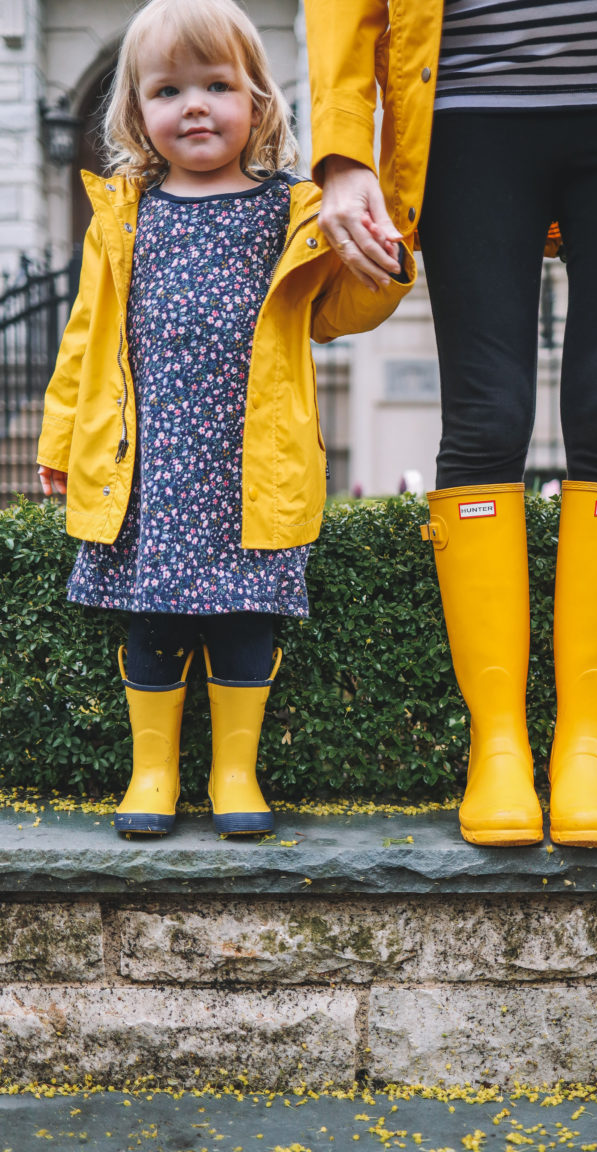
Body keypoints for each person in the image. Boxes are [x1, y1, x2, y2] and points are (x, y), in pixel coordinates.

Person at [304, 0, 597, 847]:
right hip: (467, 104)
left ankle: (586, 745)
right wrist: (341, 148)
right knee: (485, 417)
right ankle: (500, 745)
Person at [36, 0, 413, 837]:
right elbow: (83, 341)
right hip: (153, 464)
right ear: (138, 112)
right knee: (154, 621)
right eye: (168, 90)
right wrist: (63, 439)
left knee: (247, 619)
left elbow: (343, 310)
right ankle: (153, 774)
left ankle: (236, 774)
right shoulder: (123, 217)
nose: (195, 105)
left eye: (217, 85)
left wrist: (384, 265)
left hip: (251, 465)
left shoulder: (296, 212)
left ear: (259, 102)